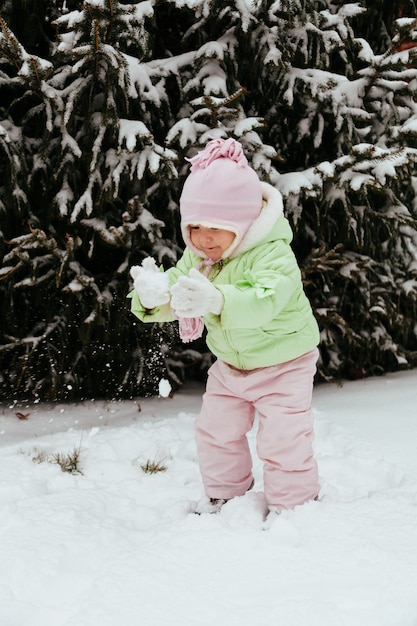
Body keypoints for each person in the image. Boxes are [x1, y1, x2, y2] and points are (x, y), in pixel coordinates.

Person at [129, 137, 320, 517]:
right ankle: (225, 496)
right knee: (216, 429)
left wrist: (215, 300)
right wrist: (153, 298)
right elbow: (182, 290)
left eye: (216, 227)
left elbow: (263, 300)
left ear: (244, 221)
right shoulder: (202, 254)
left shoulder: (273, 253)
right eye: (194, 226)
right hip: (232, 366)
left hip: (285, 364)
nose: (204, 238)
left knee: (282, 438)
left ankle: (294, 507)